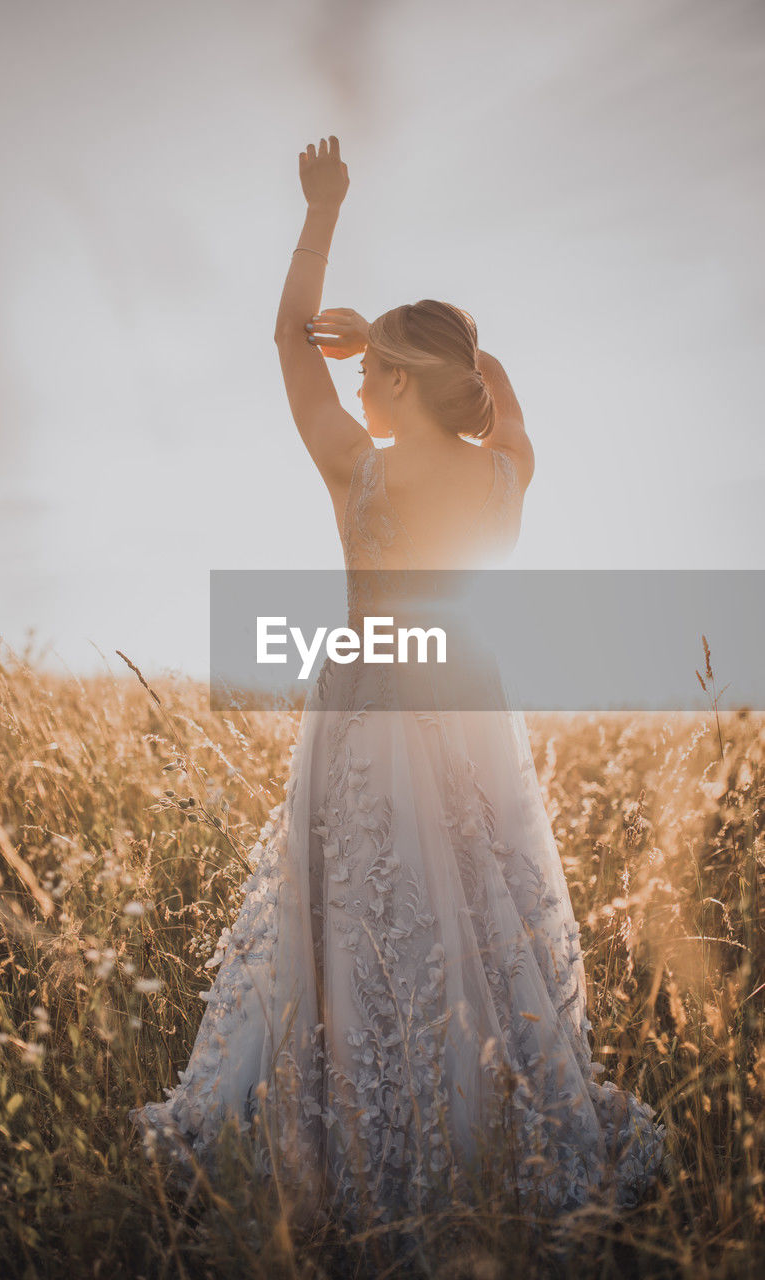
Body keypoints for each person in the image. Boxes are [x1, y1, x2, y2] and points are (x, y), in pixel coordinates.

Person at [128, 136, 665, 1231]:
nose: (355, 381)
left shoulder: (356, 469)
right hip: (466, 712)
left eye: (370, 369)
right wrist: (401, 339)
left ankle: (362, 1147)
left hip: (369, 719)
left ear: (401, 379)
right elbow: (502, 402)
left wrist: (321, 212)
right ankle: (472, 1125)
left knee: (360, 931)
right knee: (472, 918)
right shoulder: (499, 471)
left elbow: (286, 337)